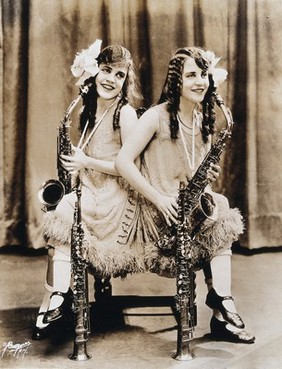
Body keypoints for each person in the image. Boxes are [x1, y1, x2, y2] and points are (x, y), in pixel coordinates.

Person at [115, 46, 255, 343]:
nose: (200, 81)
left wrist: (204, 178)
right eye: (191, 75)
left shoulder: (204, 121)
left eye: (204, 74)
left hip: (183, 210)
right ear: (177, 80)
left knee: (220, 204)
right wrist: (159, 199)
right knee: (221, 211)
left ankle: (222, 303)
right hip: (156, 213)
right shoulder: (156, 116)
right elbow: (122, 162)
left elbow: (189, 176)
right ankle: (222, 308)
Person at [32, 41, 144, 339]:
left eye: (120, 75)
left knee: (63, 215)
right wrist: (77, 166)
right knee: (59, 218)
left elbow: (128, 168)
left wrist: (86, 161)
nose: (111, 79)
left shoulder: (127, 114)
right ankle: (56, 296)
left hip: (116, 199)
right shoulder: (89, 111)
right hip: (92, 190)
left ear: (126, 81)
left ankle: (56, 297)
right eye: (106, 70)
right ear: (94, 73)